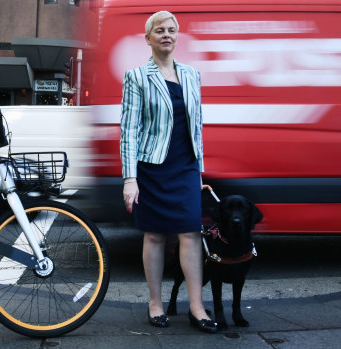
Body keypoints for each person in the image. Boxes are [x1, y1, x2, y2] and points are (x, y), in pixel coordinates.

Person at [120, 10, 217, 333]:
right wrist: (130, 178)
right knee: (155, 234)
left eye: (171, 30)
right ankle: (155, 302)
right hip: (153, 167)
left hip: (186, 165)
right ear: (148, 38)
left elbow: (197, 126)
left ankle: (196, 306)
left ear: (177, 36)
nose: (166, 34)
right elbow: (129, 130)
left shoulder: (192, 74)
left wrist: (199, 173)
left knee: (190, 232)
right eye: (159, 30)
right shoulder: (136, 77)